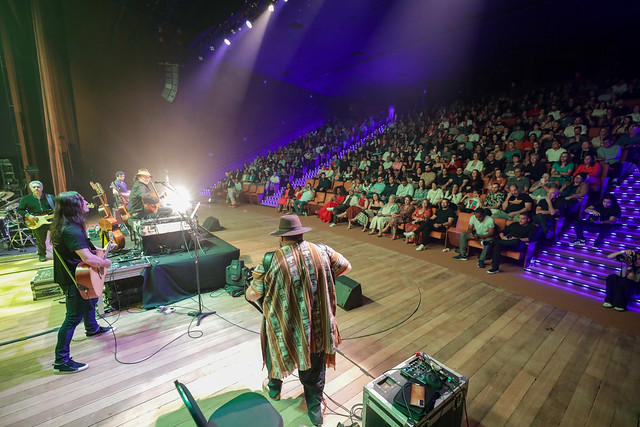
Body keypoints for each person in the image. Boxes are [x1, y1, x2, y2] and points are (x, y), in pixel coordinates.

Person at [246, 215, 351, 426]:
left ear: (282, 238)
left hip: (284, 327)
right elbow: (346, 267)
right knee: (315, 367)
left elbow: (252, 295)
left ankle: (274, 389)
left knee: (274, 350)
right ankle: (314, 410)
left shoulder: (271, 260)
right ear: (301, 233)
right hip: (317, 326)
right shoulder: (322, 250)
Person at [50, 192, 113, 374]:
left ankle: (92, 328)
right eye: (82, 200)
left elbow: (84, 250)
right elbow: (88, 259)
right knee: (72, 318)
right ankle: (61, 361)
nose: (86, 201)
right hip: (74, 279)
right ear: (74, 206)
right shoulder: (71, 230)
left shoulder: (69, 225)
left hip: (76, 275)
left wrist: (99, 251)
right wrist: (105, 262)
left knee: (91, 300)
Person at [17, 180, 55, 261]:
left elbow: (58, 208)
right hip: (36, 221)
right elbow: (20, 210)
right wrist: (28, 215)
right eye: (34, 187)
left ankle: (59, 254)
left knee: (57, 237)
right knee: (40, 240)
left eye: (38, 187)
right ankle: (42, 255)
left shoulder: (50, 197)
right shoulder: (26, 199)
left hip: (51, 219)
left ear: (42, 188)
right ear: (31, 188)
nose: (36, 188)